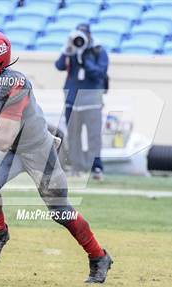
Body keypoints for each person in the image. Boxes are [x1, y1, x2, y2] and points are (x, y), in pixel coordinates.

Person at [0, 29, 113, 283]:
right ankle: (0, 232)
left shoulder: (15, 85)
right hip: (10, 150)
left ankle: (98, 257)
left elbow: (3, 138)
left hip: (35, 149)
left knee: (60, 210)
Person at [55, 23, 109, 180]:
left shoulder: (98, 50)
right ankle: (76, 166)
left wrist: (85, 59)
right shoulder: (71, 50)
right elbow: (59, 66)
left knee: (94, 135)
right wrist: (67, 50)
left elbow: (99, 73)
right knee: (73, 135)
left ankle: (96, 167)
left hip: (92, 101)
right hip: (72, 101)